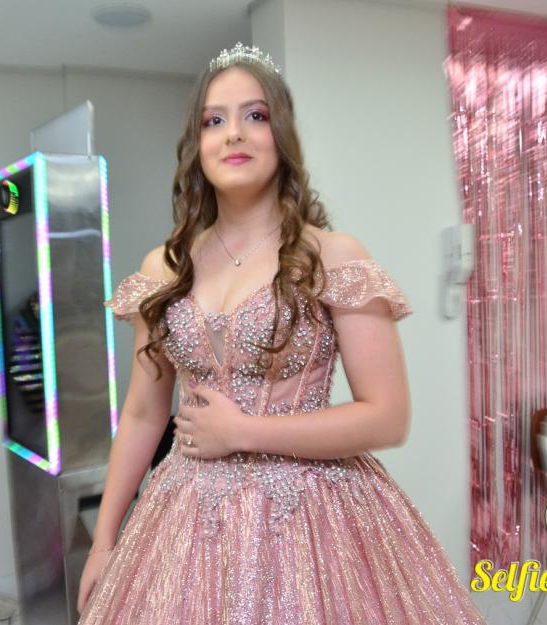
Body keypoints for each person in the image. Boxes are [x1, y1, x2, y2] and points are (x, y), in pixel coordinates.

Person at [76, 42, 487, 624]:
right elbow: (144, 414)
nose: (233, 134)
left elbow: (387, 417)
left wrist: (244, 431)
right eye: (213, 121)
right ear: (196, 145)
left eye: (256, 115)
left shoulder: (331, 256)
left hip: (312, 519)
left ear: (282, 134)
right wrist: (104, 540)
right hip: (185, 520)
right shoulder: (163, 269)